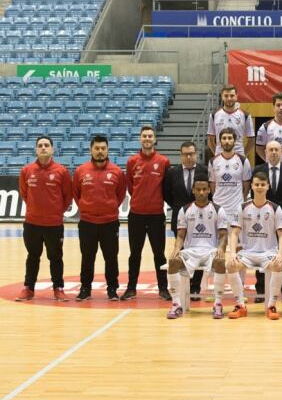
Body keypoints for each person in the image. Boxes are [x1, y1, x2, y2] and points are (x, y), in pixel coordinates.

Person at [165, 175, 234, 319]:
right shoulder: (184, 210)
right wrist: (177, 248)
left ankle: (218, 303)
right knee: (172, 261)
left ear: (209, 190)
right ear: (193, 191)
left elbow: (223, 235)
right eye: (198, 189)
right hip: (191, 251)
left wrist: (221, 249)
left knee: (220, 261)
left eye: (204, 189)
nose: (201, 192)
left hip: (210, 251)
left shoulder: (218, 209)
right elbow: (180, 235)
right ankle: (176, 304)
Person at [16, 136, 73, 302]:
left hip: (54, 224)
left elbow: (67, 197)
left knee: (55, 257)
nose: (43, 148)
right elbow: (24, 193)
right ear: (36, 149)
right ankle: (28, 288)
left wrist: (55, 212)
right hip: (32, 223)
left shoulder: (61, 171)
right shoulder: (26, 170)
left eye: (46, 145)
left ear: (52, 149)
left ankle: (58, 288)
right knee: (32, 256)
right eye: (40, 145)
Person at [72, 135, 127, 301]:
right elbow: (76, 194)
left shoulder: (117, 171)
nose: (100, 152)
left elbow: (120, 195)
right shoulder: (81, 171)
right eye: (97, 148)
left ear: (108, 150)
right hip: (87, 223)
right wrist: (87, 208)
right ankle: (85, 289)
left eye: (103, 148)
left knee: (111, 257)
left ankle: (112, 289)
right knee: (87, 257)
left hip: (109, 223)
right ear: (91, 150)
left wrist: (108, 209)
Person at [227, 172, 282, 320]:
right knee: (231, 265)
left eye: (262, 184)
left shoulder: (275, 208)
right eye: (257, 184)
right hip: (248, 252)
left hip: (268, 252)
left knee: (278, 266)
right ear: (252, 186)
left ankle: (271, 306)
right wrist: (233, 253)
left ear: (268, 186)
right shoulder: (242, 207)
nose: (260, 187)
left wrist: (280, 254)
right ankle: (241, 305)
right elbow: (234, 233)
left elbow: (281, 235)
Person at [124, 126, 171, 301]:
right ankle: (131, 288)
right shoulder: (132, 161)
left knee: (159, 254)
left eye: (150, 136)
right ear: (140, 139)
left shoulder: (163, 161)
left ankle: (163, 289)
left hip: (156, 215)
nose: (147, 138)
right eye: (144, 136)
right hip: (136, 214)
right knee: (134, 253)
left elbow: (166, 187)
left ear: (155, 139)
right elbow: (130, 185)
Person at [252, 140, 282, 303]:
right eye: (270, 149)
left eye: (276, 150)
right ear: (265, 152)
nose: (273, 152)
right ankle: (260, 289)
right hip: (262, 216)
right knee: (261, 250)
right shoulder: (258, 170)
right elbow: (255, 193)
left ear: (281, 152)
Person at [163, 141, 208, 300]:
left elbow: (209, 192)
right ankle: (184, 286)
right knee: (182, 251)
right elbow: (167, 194)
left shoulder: (204, 170)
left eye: (192, 153)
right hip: (179, 216)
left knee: (200, 250)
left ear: (196, 154)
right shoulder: (172, 172)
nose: (189, 157)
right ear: (181, 155)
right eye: (185, 154)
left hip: (201, 218)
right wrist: (180, 208)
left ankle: (195, 288)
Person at [209, 128, 252, 226]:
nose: (227, 141)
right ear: (220, 141)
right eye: (224, 138)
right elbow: (212, 185)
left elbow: (246, 185)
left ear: (234, 141)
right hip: (218, 205)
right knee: (220, 238)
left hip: (236, 206)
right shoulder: (212, 161)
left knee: (236, 238)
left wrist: (241, 199)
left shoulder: (243, 160)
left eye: (229, 138)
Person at [207, 84, 255, 156]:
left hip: (238, 156)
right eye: (226, 96)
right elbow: (210, 139)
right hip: (220, 157)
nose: (229, 98)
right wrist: (217, 155)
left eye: (232, 96)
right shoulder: (214, 115)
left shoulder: (245, 115)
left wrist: (243, 155)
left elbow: (251, 139)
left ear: (236, 96)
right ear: (222, 97)